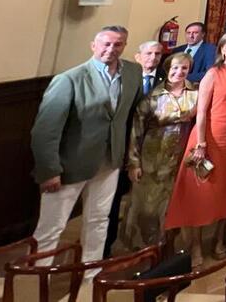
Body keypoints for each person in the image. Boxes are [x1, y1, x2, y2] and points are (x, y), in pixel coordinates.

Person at [30, 26, 142, 270]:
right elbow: (45, 130)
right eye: (106, 44)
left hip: (109, 161)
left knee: (99, 221)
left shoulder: (133, 73)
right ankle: (36, 282)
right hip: (70, 164)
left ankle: (90, 277)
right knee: (51, 228)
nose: (111, 49)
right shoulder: (70, 79)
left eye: (118, 44)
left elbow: (126, 116)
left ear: (125, 46)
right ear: (94, 45)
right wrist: (49, 170)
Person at [164, 32, 226, 266]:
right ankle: (194, 247)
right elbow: (201, 111)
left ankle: (220, 241)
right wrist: (201, 143)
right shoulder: (213, 74)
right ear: (222, 50)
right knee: (199, 193)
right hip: (209, 139)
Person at [121, 53, 198, 250]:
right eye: (175, 68)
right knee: (147, 207)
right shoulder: (153, 96)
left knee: (174, 205)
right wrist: (134, 162)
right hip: (152, 159)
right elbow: (136, 130)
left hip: (181, 159)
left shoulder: (196, 93)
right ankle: (143, 248)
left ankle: (169, 247)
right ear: (167, 69)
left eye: (184, 68)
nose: (179, 72)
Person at [104, 39, 168, 255]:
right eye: (149, 53)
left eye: (158, 54)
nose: (153, 58)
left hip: (151, 147)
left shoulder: (166, 80)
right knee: (113, 196)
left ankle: (145, 241)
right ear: (138, 56)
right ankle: (108, 244)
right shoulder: (124, 79)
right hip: (121, 145)